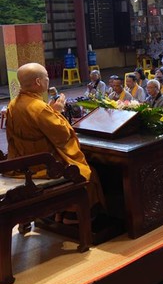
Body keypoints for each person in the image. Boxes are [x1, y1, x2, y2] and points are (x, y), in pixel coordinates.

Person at [6, 62, 103, 209]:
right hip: (41, 165)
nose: (48, 80)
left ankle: (57, 215)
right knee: (86, 172)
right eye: (46, 77)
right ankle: (73, 216)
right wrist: (57, 111)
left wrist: (51, 111)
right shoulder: (38, 107)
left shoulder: (13, 104)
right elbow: (63, 135)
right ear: (38, 82)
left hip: (24, 162)